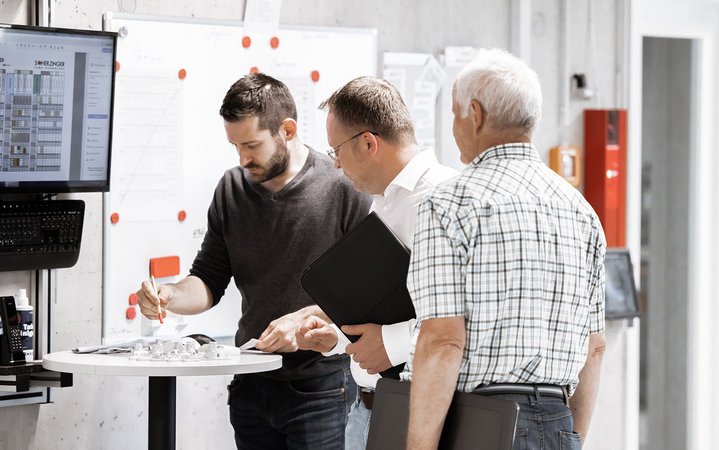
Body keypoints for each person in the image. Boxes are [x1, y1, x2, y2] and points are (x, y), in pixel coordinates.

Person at [135, 73, 371, 450]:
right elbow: (208, 280)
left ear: (287, 130)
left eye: (251, 145)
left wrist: (307, 322)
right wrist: (169, 295)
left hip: (321, 387)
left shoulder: (343, 186)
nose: (243, 159)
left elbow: (366, 288)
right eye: (235, 146)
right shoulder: (231, 188)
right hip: (250, 381)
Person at [404, 49, 607, 450]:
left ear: (474, 114)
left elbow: (443, 342)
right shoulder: (581, 211)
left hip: (478, 423)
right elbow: (595, 348)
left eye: (455, 114)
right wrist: (571, 439)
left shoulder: (449, 205)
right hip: (557, 421)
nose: (454, 126)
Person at [294, 76, 457, 449]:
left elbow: (470, 319)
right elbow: (391, 305)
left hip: (419, 416)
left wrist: (392, 342)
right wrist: (338, 338)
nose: (335, 165)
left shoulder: (443, 199)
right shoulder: (384, 201)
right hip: (365, 408)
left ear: (368, 143)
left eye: (336, 151)